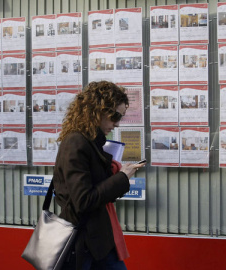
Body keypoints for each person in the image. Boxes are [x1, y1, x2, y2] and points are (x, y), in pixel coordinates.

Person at [53, 81, 145, 270]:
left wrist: (118, 175)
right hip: (83, 242)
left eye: (121, 116)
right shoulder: (76, 142)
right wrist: (122, 177)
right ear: (96, 110)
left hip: (97, 240)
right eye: (114, 116)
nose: (117, 123)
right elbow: (84, 200)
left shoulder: (90, 141)